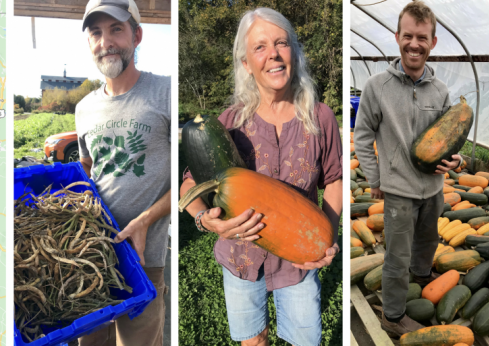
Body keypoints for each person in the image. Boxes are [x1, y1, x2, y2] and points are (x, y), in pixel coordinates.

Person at [179, 7, 342, 346]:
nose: (274, 55)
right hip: (240, 259)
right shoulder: (227, 124)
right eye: (260, 47)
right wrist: (206, 221)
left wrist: (325, 236)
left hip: (299, 259)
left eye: (282, 43)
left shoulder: (321, 117)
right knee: (252, 342)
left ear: (294, 52)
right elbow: (190, 185)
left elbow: (335, 179)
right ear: (245, 64)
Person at [352, 0, 462, 337]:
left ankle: (422, 276)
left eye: (422, 37)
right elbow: (362, 134)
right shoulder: (376, 87)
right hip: (398, 191)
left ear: (433, 42)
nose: (415, 44)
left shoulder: (441, 90)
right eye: (408, 36)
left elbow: (450, 139)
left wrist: (457, 162)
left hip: (433, 190)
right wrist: (375, 178)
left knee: (427, 243)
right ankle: (394, 315)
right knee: (395, 258)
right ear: (397, 36)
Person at [74, 0, 171, 345]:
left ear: (137, 35)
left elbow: (186, 178)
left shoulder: (165, 92)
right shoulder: (84, 108)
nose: (106, 42)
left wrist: (146, 218)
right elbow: (87, 166)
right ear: (89, 43)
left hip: (143, 260)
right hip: (89, 257)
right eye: (96, 32)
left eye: (116, 29)